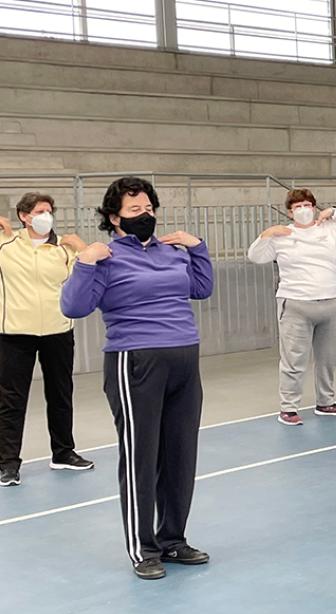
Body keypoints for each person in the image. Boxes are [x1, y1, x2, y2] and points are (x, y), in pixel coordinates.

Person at [59, 177, 213, 580]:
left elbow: (202, 287)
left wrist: (198, 249)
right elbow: (74, 307)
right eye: (134, 211)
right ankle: (142, 548)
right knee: (141, 456)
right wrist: (85, 262)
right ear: (115, 218)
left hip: (184, 358)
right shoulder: (107, 256)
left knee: (180, 454)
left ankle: (173, 540)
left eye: (149, 209)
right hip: (135, 361)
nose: (145, 216)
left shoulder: (171, 252)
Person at [247, 188, 336, 426]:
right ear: (290, 213)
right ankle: (288, 407)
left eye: (307, 205)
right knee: (293, 359)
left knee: (328, 357)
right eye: (297, 207)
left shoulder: (331, 229)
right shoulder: (281, 235)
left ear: (314, 207)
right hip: (296, 304)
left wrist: (335, 211)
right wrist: (266, 234)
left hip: (331, 301)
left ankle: (326, 402)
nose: (303, 210)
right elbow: (255, 256)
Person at [0, 193, 93, 486]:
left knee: (61, 394)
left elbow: (97, 270)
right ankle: (7, 464)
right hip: (15, 333)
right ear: (24, 216)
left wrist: (83, 248)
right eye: (40, 211)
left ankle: (63, 453)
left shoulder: (63, 248)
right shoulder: (5, 244)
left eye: (49, 211)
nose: (46, 216)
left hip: (58, 330)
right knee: (11, 401)